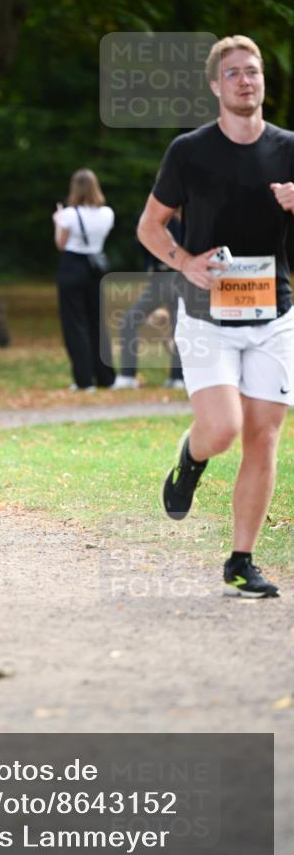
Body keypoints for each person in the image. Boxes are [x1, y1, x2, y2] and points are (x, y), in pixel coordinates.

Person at [137, 35, 294, 598]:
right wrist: (184, 262)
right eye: (233, 74)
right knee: (223, 429)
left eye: (253, 72)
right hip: (206, 316)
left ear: (262, 82)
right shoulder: (189, 151)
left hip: (274, 314)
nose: (245, 81)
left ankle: (241, 559)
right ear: (215, 85)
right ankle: (191, 456)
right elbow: (150, 227)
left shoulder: (289, 148)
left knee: (263, 436)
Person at [53, 168, 115, 390]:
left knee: (75, 324)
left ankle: (84, 380)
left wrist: (57, 221)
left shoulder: (69, 214)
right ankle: (106, 377)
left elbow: (61, 244)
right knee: (97, 322)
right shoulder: (107, 213)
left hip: (72, 266)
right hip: (95, 268)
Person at [113, 212, 185, 390]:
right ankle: (178, 377)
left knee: (130, 320)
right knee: (179, 327)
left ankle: (127, 375)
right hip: (174, 278)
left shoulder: (164, 222)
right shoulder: (179, 220)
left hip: (166, 278)